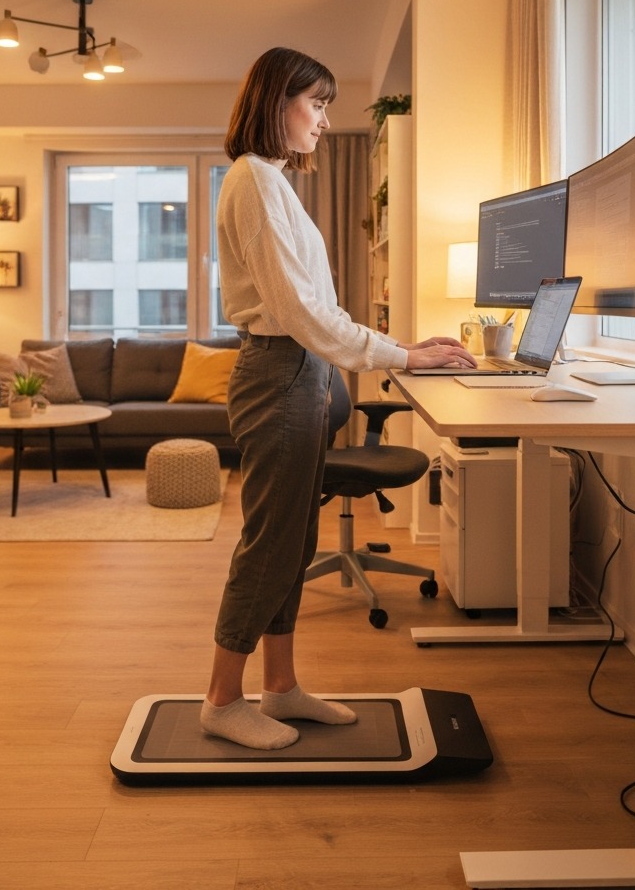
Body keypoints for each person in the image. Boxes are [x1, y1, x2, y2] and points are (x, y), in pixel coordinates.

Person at [201, 47, 477, 750]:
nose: (324, 121)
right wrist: (403, 355)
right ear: (277, 103)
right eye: (316, 104)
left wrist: (398, 348)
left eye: (326, 107)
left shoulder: (270, 181)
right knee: (269, 544)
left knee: (294, 541)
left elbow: (314, 307)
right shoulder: (254, 181)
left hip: (303, 374)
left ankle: (281, 686)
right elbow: (299, 313)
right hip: (279, 374)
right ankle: (221, 698)